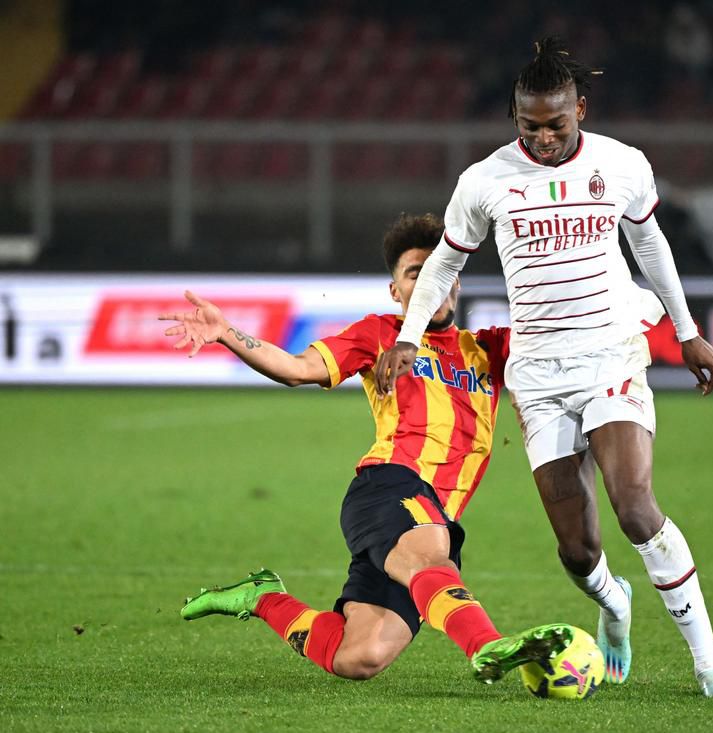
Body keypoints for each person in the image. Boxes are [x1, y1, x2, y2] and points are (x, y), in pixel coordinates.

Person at [375, 37, 713, 698]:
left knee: (635, 507)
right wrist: (408, 334)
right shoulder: (485, 181)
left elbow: (649, 242)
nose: (544, 138)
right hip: (539, 373)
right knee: (576, 549)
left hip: (612, 352)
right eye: (530, 126)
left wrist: (685, 331)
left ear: (582, 107)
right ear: (515, 119)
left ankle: (708, 661)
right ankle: (613, 605)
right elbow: (445, 264)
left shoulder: (623, 164)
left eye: (557, 124)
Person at [159, 213, 575, 684]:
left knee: (359, 657)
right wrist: (227, 333)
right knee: (430, 556)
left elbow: (563, 333)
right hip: (389, 486)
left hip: (436, 511)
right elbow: (296, 368)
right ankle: (488, 646)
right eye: (416, 272)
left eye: (443, 269)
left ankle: (261, 597)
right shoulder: (380, 335)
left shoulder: (488, 348)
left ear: (457, 282)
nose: (432, 281)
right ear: (396, 292)